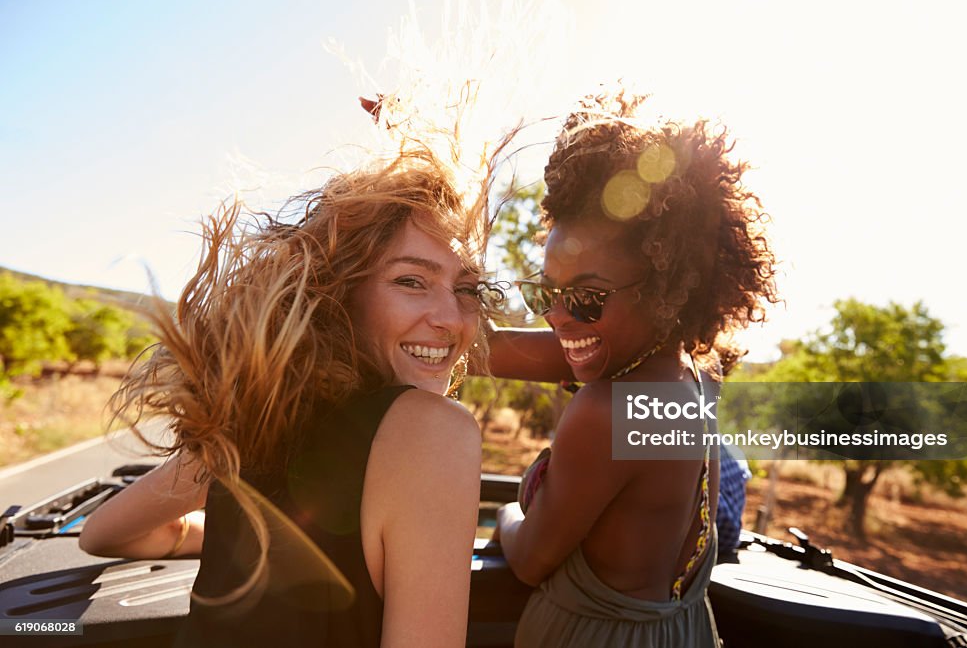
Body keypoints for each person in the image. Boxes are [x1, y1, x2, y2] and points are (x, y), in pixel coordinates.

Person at [79, 148, 498, 648]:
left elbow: (103, 533)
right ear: (340, 291)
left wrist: (250, 540)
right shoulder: (435, 430)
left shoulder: (257, 416)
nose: (452, 319)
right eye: (411, 281)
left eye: (469, 289)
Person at [489, 88, 779, 647]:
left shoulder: (606, 409)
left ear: (663, 289)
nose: (556, 317)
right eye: (545, 293)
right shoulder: (690, 375)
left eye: (585, 298)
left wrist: (505, 514)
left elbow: (527, 560)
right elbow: (516, 350)